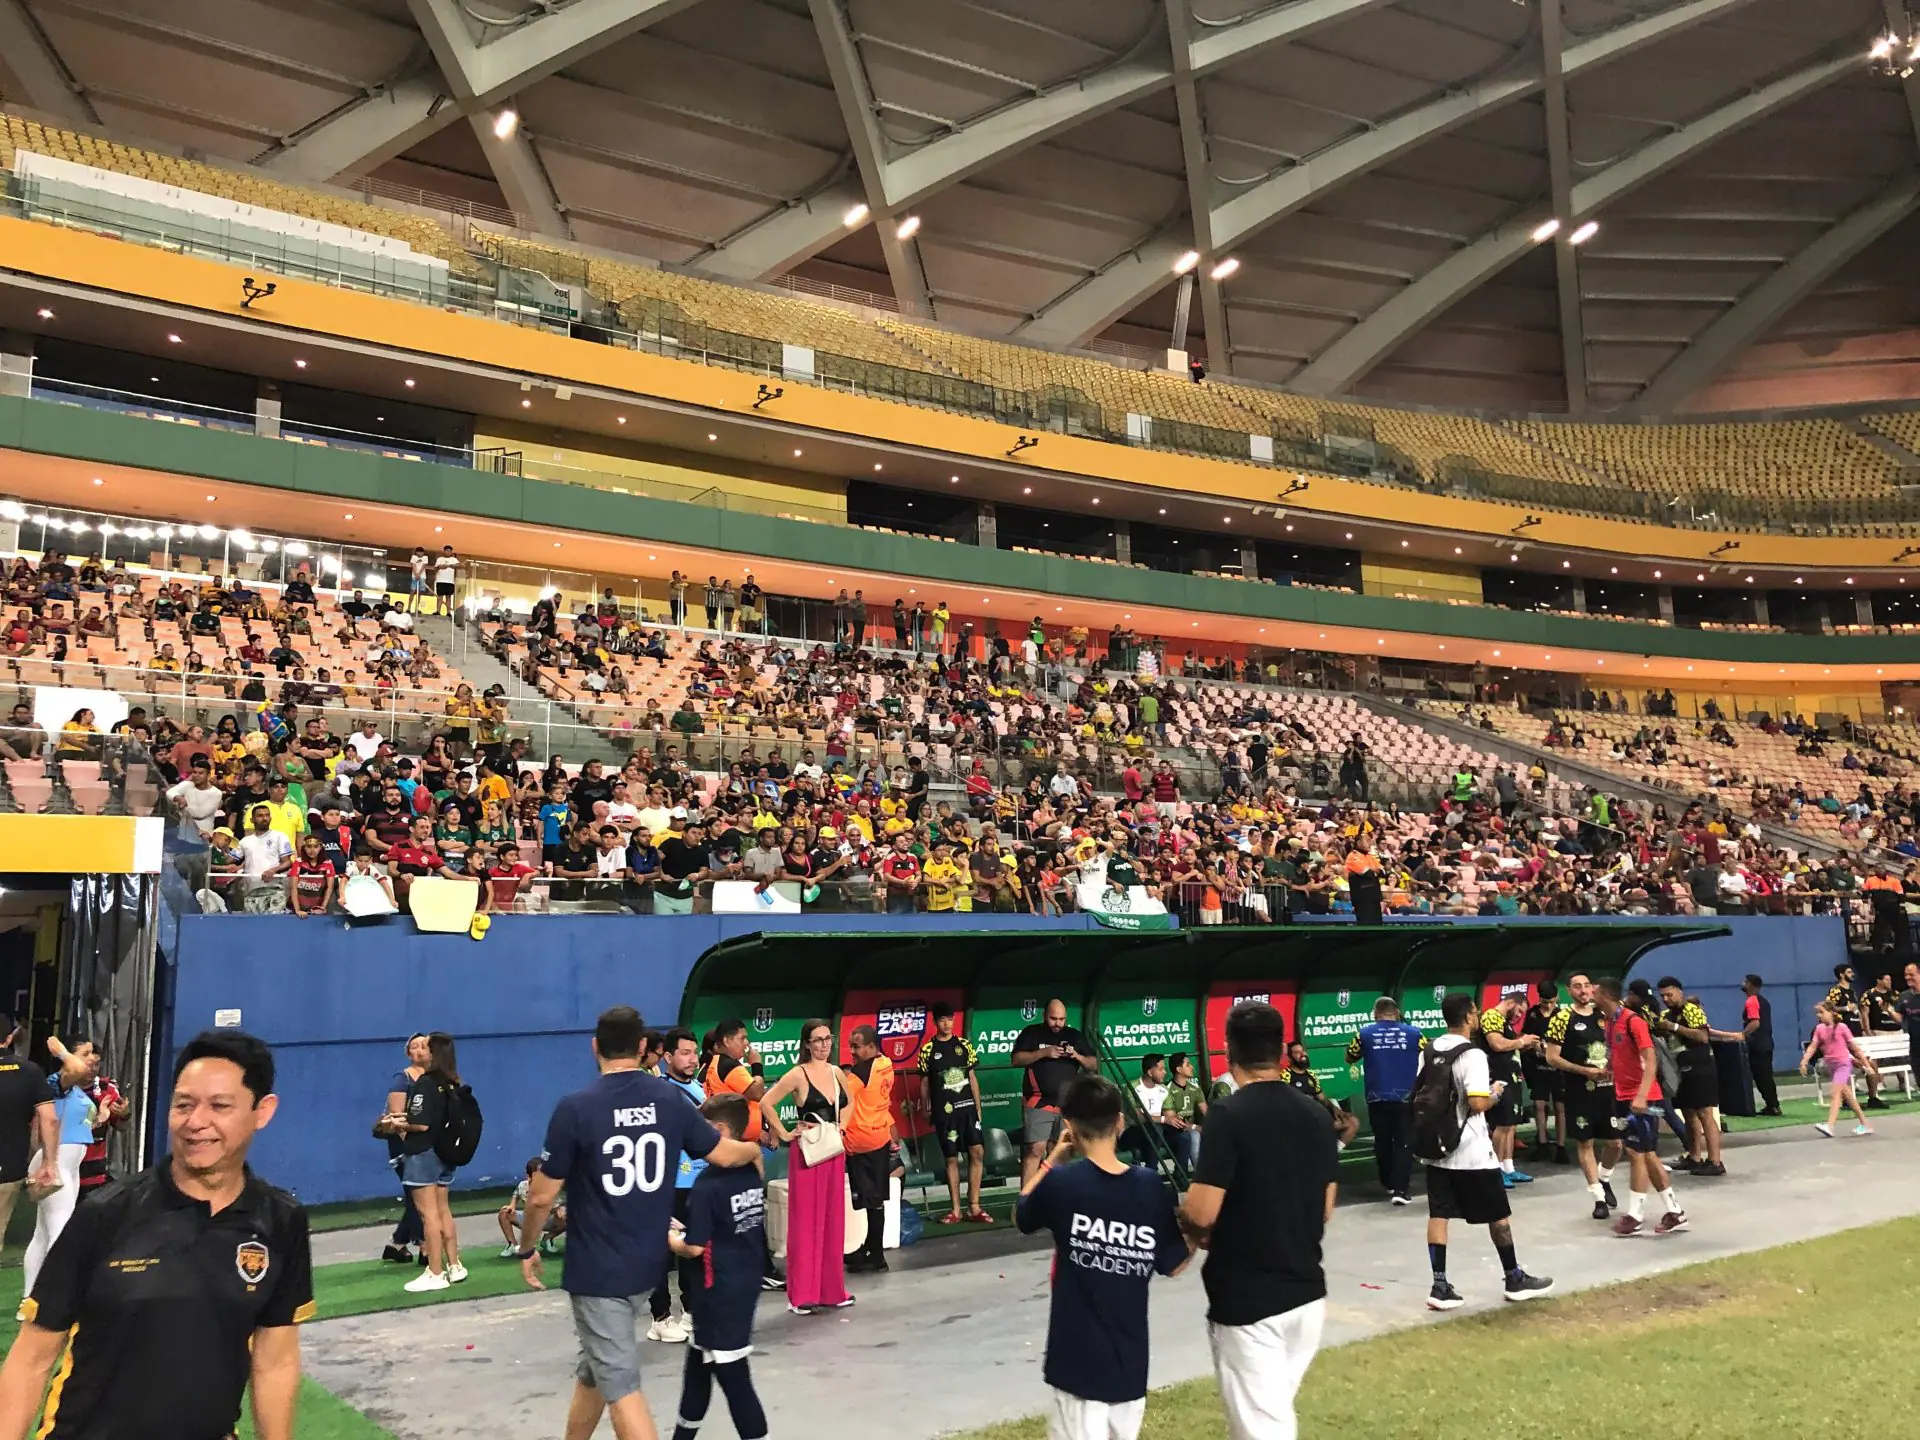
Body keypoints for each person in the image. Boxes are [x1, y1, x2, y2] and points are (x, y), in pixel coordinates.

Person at [0, 1030, 312, 1440]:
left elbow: (275, 1362)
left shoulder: (280, 1221)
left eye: (219, 1106)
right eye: (184, 1104)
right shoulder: (106, 1214)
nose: (196, 1122)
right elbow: (31, 1359)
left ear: (262, 1111)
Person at [515, 1007, 759, 1440]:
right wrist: (754, 1153)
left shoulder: (576, 1108)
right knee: (597, 1367)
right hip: (646, 1265)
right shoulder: (669, 1100)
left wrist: (528, 1246)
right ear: (644, 1048)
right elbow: (723, 1152)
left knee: (622, 1388)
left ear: (595, 1047)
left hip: (599, 1271)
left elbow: (540, 1195)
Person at [1178, 1001, 1339, 1438]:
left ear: (1229, 1050)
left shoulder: (1229, 1115)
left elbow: (1201, 1212)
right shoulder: (1316, 1114)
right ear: (1282, 1051)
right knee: (1260, 1420)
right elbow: (1325, 1206)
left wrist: (1183, 1216)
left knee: (1262, 1429)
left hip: (1249, 1300)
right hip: (1306, 1295)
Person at [1018, 1073, 1187, 1440]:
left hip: (1076, 1361)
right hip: (1130, 1364)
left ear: (1069, 1127)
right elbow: (1174, 1263)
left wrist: (1055, 1156)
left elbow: (1023, 1211)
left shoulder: (1064, 1184)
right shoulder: (1149, 1187)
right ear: (1120, 1122)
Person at [1417, 994, 1554, 1310]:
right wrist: (1494, 1093)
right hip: (1472, 1151)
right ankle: (1514, 1278)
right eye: (1475, 1013)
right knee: (1498, 1214)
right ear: (1467, 1017)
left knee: (1439, 1214)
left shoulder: (1429, 1051)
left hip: (1438, 1149)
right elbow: (1477, 1103)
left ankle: (1439, 1286)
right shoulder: (1473, 1054)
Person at [666, 1094, 769, 1440]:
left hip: (718, 1292)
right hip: (743, 1280)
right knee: (697, 1366)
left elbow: (694, 1247)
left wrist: (666, 1238)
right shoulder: (751, 1172)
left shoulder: (708, 1184)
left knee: (734, 1376)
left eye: (701, 1130)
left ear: (720, 1130)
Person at [759, 1018, 855, 1315]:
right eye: (818, 1040)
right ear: (807, 1044)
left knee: (832, 1220)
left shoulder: (837, 1072)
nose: (825, 1045)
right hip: (808, 1154)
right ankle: (802, 1295)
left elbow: (850, 1102)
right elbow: (765, 1102)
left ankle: (831, 1291)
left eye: (828, 1039)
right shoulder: (798, 1075)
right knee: (806, 1224)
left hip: (833, 1152)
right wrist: (786, 1134)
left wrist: (842, 1127)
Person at [1592, 979, 1689, 1238]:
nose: (1591, 994)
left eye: (1595, 990)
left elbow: (1650, 1058)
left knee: (1636, 1153)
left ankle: (1635, 1215)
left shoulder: (1633, 1021)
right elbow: (1619, 1054)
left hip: (1644, 1100)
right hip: (1624, 1097)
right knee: (1647, 1154)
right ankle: (1675, 1212)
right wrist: (1608, 1070)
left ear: (1606, 995)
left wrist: (1642, 1096)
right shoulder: (1610, 1023)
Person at [23, 1036, 100, 1300]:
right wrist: (62, 1052)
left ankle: (30, 1297)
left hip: (66, 1163)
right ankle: (58, 1299)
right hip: (55, 1162)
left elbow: (76, 1126)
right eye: (86, 1053)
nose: (92, 1058)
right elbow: (75, 1069)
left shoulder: (75, 1090)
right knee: (60, 1231)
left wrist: (100, 1119)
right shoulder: (57, 1083)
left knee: (43, 1234)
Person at [1544, 974, 1622, 1222]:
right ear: (1569, 991)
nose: (1583, 990)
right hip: (1579, 1090)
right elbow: (1551, 1057)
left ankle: (1605, 1178)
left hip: (1610, 1090)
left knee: (1615, 1144)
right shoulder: (1562, 1018)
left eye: (1587, 985)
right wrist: (1584, 1070)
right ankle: (1598, 1198)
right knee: (1585, 1143)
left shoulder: (1608, 1015)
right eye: (1577, 986)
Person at [647, 1028, 707, 1344]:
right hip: (669, 1185)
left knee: (694, 1249)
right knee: (661, 1252)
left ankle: (692, 1311)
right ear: (668, 1057)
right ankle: (660, 1317)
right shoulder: (658, 1092)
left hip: (699, 1182)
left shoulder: (701, 1088)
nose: (691, 1058)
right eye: (684, 1052)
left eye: (694, 1052)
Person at [397, 1032, 466, 1292]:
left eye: (425, 1046)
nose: (419, 1050)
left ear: (434, 1054)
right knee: (443, 1210)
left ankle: (435, 1271)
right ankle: (455, 1265)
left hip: (424, 1153)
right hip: (445, 1154)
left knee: (428, 1215)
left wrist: (396, 1124)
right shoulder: (452, 1081)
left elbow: (421, 1122)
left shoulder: (426, 1083)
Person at [1010, 1000, 1099, 1188]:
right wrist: (1044, 1052)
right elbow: (1017, 1059)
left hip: (1066, 1103)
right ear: (1044, 1015)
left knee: (1060, 1151)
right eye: (1053, 1018)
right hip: (1038, 1100)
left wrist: (1077, 1056)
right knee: (1035, 1149)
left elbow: (1093, 1064)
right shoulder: (1031, 1033)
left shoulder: (1073, 1035)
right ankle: (1026, 1199)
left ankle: (1055, 1197)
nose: (1057, 1023)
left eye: (1061, 1019)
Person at [1344, 997, 1422, 1204]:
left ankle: (1387, 1182)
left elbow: (1350, 1056)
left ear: (1374, 1013)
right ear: (1396, 1012)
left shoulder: (1364, 1034)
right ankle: (1401, 1189)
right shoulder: (1415, 1033)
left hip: (1377, 1095)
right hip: (1406, 1095)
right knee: (1404, 1141)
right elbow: (1427, 1053)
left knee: (1383, 1140)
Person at [1654, 976, 1735, 1176]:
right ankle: (1694, 1156)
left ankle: (1715, 1161)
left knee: (1705, 1114)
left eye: (1670, 994)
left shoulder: (1692, 1010)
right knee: (1689, 1114)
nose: (1666, 999)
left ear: (1680, 992)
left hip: (1701, 1068)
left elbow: (1702, 1036)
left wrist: (1673, 1027)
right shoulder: (1666, 1014)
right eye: (1663, 995)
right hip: (1680, 1069)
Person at [918, 1002, 989, 1225]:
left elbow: (972, 1078)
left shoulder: (965, 1045)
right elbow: (924, 1083)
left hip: (968, 1109)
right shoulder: (928, 1049)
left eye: (950, 1019)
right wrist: (925, 1107)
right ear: (935, 1022)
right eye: (942, 1020)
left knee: (977, 1152)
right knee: (951, 1159)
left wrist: (978, 1107)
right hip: (945, 1113)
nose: (946, 1024)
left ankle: (974, 1207)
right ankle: (956, 1210)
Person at [0, 1018, 58, 1268]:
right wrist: (49, 1162)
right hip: (7, 1169)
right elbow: (49, 1119)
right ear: (10, 1038)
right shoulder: (29, 1071)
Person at [843, 1024, 895, 1274]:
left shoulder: (861, 1071)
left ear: (872, 1047)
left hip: (861, 1142)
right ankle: (871, 1248)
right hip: (880, 1139)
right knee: (875, 1200)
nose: (852, 1051)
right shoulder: (886, 1063)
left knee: (870, 1200)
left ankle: (876, 1256)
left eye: (857, 1046)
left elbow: (839, 1097)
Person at [377, 1034, 429, 1264]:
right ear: (408, 1053)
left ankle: (397, 1244)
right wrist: (411, 1146)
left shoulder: (435, 1078)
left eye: (424, 1046)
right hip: (406, 1146)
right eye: (414, 1047)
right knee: (417, 1195)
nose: (419, 1050)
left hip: (429, 1144)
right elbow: (397, 1120)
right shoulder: (403, 1079)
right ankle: (426, 1247)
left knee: (418, 1196)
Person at [1476, 994, 1537, 1188]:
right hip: (1499, 1078)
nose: (1519, 1015)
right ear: (1510, 1003)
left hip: (1513, 1077)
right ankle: (1495, 1169)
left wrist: (1526, 1044)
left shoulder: (1505, 1022)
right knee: (1502, 1125)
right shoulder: (1492, 1016)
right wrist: (1521, 1041)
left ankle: (1508, 1167)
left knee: (1511, 1125)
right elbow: (1497, 1044)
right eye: (1519, 1010)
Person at [1799, 1000, 1877, 1138]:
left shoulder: (1842, 1027)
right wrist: (1804, 1061)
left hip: (1843, 1065)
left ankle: (1830, 1126)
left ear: (1832, 1012)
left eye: (1822, 1012)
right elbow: (1813, 1046)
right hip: (1831, 1067)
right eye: (1817, 1013)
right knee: (1848, 1096)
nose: (1819, 1015)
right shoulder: (1819, 1029)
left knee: (1835, 1094)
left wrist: (1866, 1065)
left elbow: (1855, 1049)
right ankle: (1865, 1124)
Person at [1519, 982, 1566, 1163]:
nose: (1548, 1006)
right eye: (1545, 1002)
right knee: (1539, 1105)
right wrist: (1534, 1046)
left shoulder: (1562, 1015)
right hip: (1538, 1067)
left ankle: (1561, 1147)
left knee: (1560, 1107)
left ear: (1557, 999)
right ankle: (1542, 1143)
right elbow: (1525, 1037)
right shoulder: (1532, 1014)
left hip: (1559, 1067)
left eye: (1552, 1002)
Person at [1284, 1041, 1357, 1148]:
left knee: (1353, 1122)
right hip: (1298, 1119)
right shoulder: (1286, 1075)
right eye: (1297, 1052)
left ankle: (1334, 1151)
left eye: (1303, 1051)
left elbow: (1322, 1098)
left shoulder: (1311, 1075)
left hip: (1317, 1116)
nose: (1302, 1055)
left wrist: (1336, 1110)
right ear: (1289, 1058)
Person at [498, 1157, 566, 1255]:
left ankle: (547, 1239)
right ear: (529, 1175)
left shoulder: (551, 1185)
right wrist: (512, 1205)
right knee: (504, 1213)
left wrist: (560, 1209)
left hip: (548, 1219)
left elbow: (559, 1204)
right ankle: (513, 1245)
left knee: (567, 1217)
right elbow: (516, 1193)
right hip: (529, 1219)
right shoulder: (523, 1185)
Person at [1739, 974, 1782, 1116]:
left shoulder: (1752, 1001)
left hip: (1757, 1045)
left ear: (1751, 985)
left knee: (1762, 1077)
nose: (1743, 983)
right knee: (1765, 1076)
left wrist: (1742, 1035)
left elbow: (1755, 1022)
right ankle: (1773, 1105)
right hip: (1766, 1043)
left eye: (1745, 981)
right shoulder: (1763, 1001)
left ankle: (1773, 1106)